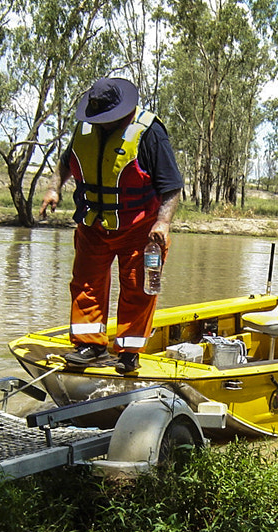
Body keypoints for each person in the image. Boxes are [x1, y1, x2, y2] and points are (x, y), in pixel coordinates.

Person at [39, 76, 183, 375]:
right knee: (86, 284)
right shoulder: (85, 129)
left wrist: (164, 222)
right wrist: (54, 188)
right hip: (93, 224)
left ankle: (129, 352)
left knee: (137, 289)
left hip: (139, 229)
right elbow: (67, 162)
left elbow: (171, 185)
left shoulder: (150, 132)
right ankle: (89, 344)